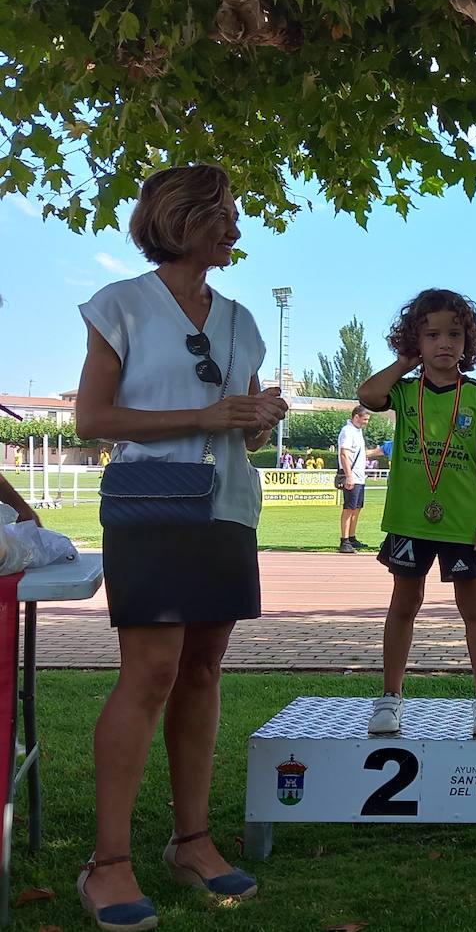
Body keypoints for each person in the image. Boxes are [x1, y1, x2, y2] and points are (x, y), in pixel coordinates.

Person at [73, 164, 288, 928]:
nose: (234, 225)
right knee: (152, 671)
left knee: (202, 667)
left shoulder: (241, 319)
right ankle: (108, 862)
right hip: (150, 505)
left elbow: (244, 428)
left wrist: (257, 419)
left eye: (235, 212)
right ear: (180, 217)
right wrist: (208, 414)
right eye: (222, 212)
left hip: (228, 508)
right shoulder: (120, 306)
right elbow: (92, 420)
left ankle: (191, 841)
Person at [358, 288, 476, 738]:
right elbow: (367, 394)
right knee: (404, 603)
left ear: (468, 342)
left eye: (455, 334)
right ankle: (390, 697)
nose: (445, 344)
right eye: (432, 335)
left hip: (463, 522)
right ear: (415, 341)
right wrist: (405, 362)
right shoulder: (404, 393)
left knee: (473, 607)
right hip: (409, 519)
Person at [337, 405, 372, 554]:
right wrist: (349, 475)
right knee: (349, 508)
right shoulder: (347, 431)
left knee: (357, 508)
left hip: (359, 476)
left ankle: (351, 537)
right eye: (364, 419)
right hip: (352, 476)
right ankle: (344, 540)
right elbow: (343, 454)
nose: (366, 422)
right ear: (356, 417)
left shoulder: (357, 432)